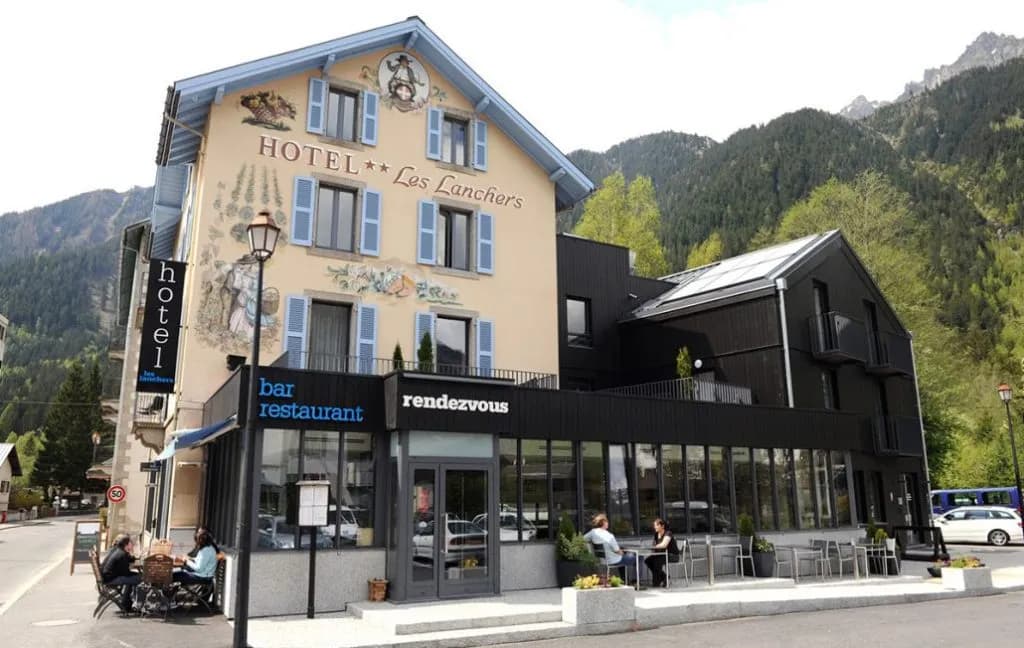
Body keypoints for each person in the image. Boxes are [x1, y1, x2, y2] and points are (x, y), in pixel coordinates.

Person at [582, 513, 634, 579]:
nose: (608, 523)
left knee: (623, 559)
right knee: (637, 557)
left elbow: (582, 539)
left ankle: (625, 580)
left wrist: (590, 544)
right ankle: (635, 581)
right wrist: (622, 553)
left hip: (602, 560)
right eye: (607, 521)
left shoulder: (593, 532)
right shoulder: (609, 536)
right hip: (613, 560)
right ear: (604, 522)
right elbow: (617, 550)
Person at [100, 534, 140, 612]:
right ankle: (129, 603)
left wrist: (132, 557)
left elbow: (128, 560)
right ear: (126, 545)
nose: (132, 545)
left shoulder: (117, 550)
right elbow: (125, 573)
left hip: (107, 576)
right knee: (139, 579)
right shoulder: (121, 554)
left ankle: (126, 603)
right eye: (131, 543)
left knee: (133, 578)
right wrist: (137, 575)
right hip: (111, 579)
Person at [644, 518, 680, 587]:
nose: (655, 527)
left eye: (656, 525)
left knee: (657, 561)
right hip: (662, 555)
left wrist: (655, 546)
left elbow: (664, 545)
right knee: (648, 560)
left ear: (662, 526)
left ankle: (656, 582)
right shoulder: (656, 534)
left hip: (672, 555)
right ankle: (664, 577)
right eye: (654, 525)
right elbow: (654, 545)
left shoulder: (668, 533)